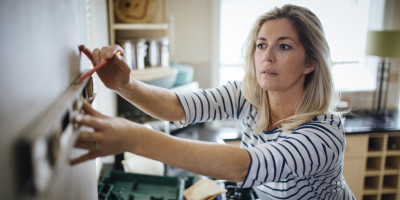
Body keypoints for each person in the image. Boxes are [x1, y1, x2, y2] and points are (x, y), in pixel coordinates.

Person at [72, 4, 355, 199]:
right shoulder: (250, 96)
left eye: (284, 46)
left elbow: (245, 166)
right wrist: (125, 85)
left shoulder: (323, 134)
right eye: (261, 44)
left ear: (310, 63)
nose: (267, 56)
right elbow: (178, 106)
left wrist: (135, 139)